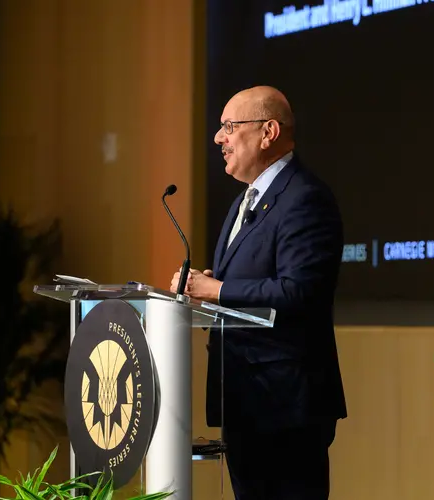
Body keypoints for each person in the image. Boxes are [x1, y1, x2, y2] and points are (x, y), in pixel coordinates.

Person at [170, 85, 347, 500]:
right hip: (246, 401)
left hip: (285, 406)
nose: (219, 138)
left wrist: (218, 289)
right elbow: (250, 284)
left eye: (229, 127)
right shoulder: (244, 201)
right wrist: (205, 292)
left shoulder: (305, 198)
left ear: (267, 132)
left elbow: (299, 291)